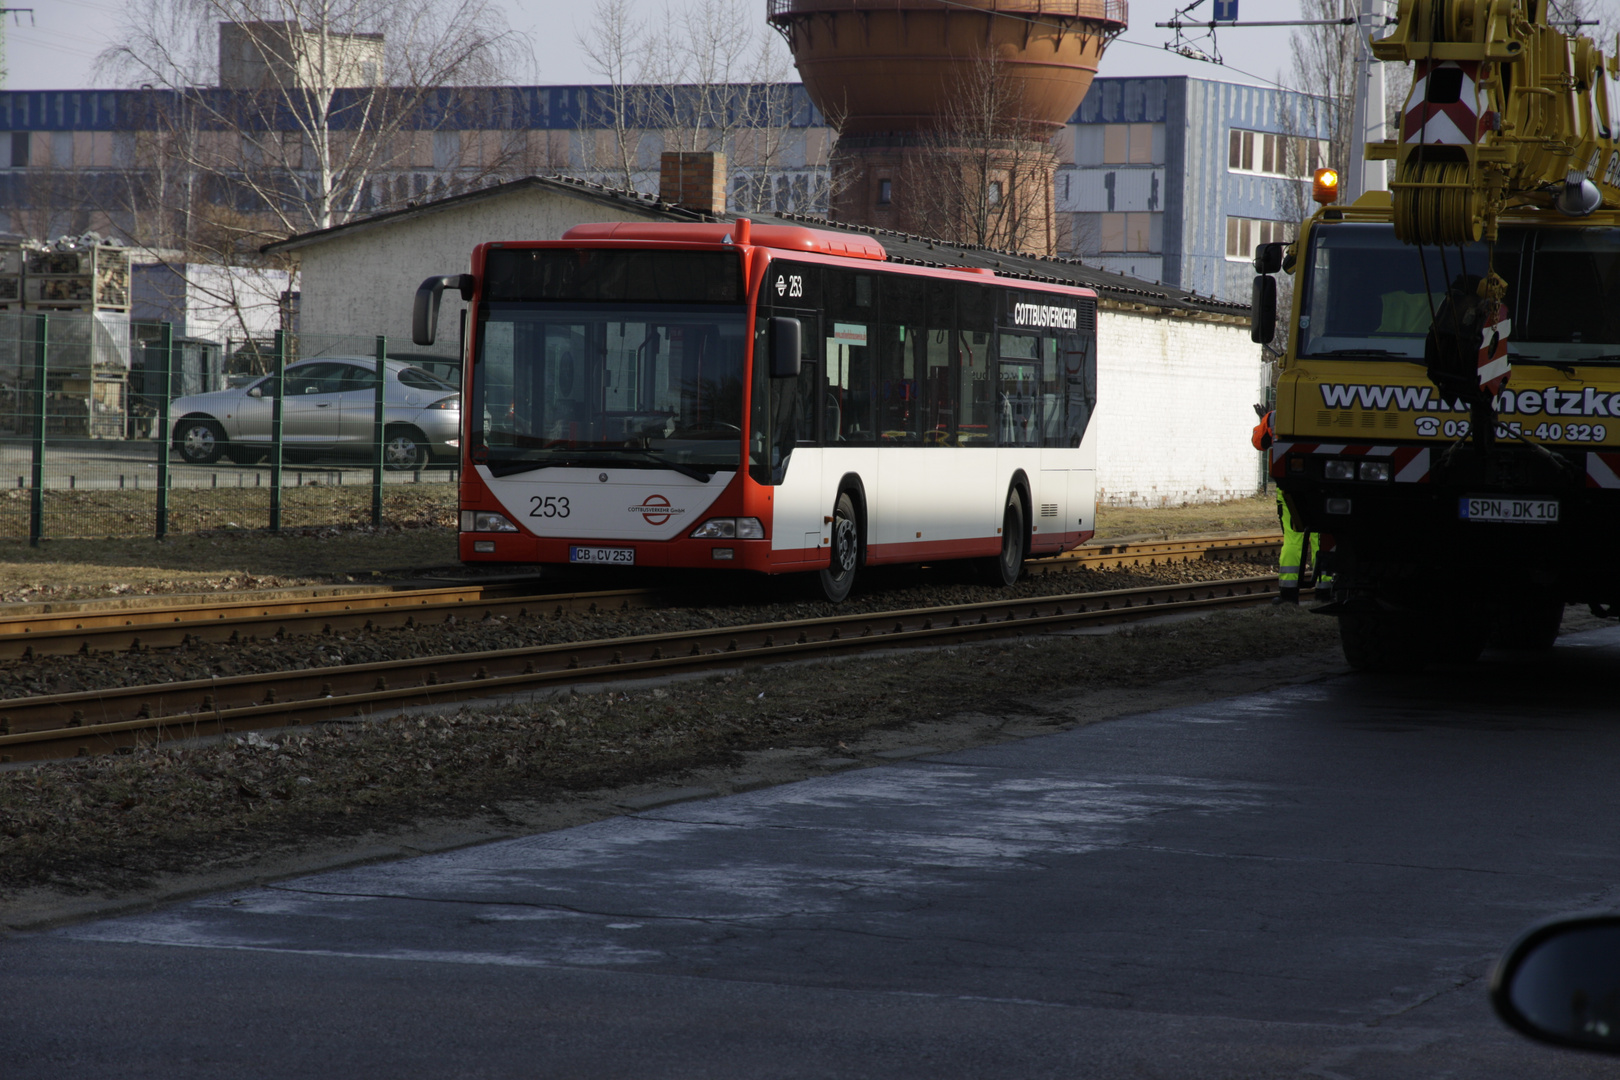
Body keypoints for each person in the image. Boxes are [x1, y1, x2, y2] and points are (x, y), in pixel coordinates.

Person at [1252, 408, 1328, 604]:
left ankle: (1289, 594)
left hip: (1290, 487)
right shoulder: (1329, 409)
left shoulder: (1275, 416)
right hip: (1324, 485)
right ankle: (1325, 592)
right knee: (1324, 538)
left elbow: (1259, 442)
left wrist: (1264, 421)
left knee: (1294, 539)